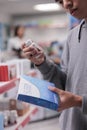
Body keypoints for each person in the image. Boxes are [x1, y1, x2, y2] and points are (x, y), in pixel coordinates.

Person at [21, 0, 87, 130]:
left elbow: (75, 98)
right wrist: (42, 63)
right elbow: (65, 86)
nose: (66, 4)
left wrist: (79, 101)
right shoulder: (72, 36)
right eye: (60, 1)